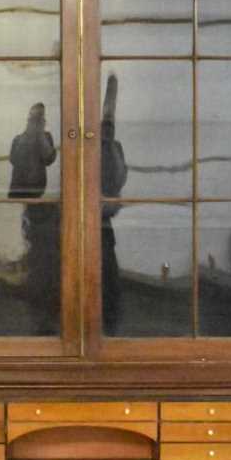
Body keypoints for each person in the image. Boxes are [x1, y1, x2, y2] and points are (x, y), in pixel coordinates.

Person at [8, 103, 59, 333]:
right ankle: (30, 271)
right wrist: (34, 135)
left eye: (37, 120)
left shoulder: (36, 137)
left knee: (33, 235)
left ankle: (32, 271)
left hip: (32, 195)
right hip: (24, 194)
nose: (38, 123)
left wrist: (37, 136)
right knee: (28, 233)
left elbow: (49, 157)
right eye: (36, 120)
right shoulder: (21, 139)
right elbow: (17, 158)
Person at [100, 73, 128, 334]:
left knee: (109, 278)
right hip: (90, 222)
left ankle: (110, 325)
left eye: (110, 128)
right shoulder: (92, 149)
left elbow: (119, 180)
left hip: (103, 225)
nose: (108, 131)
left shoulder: (113, 149)